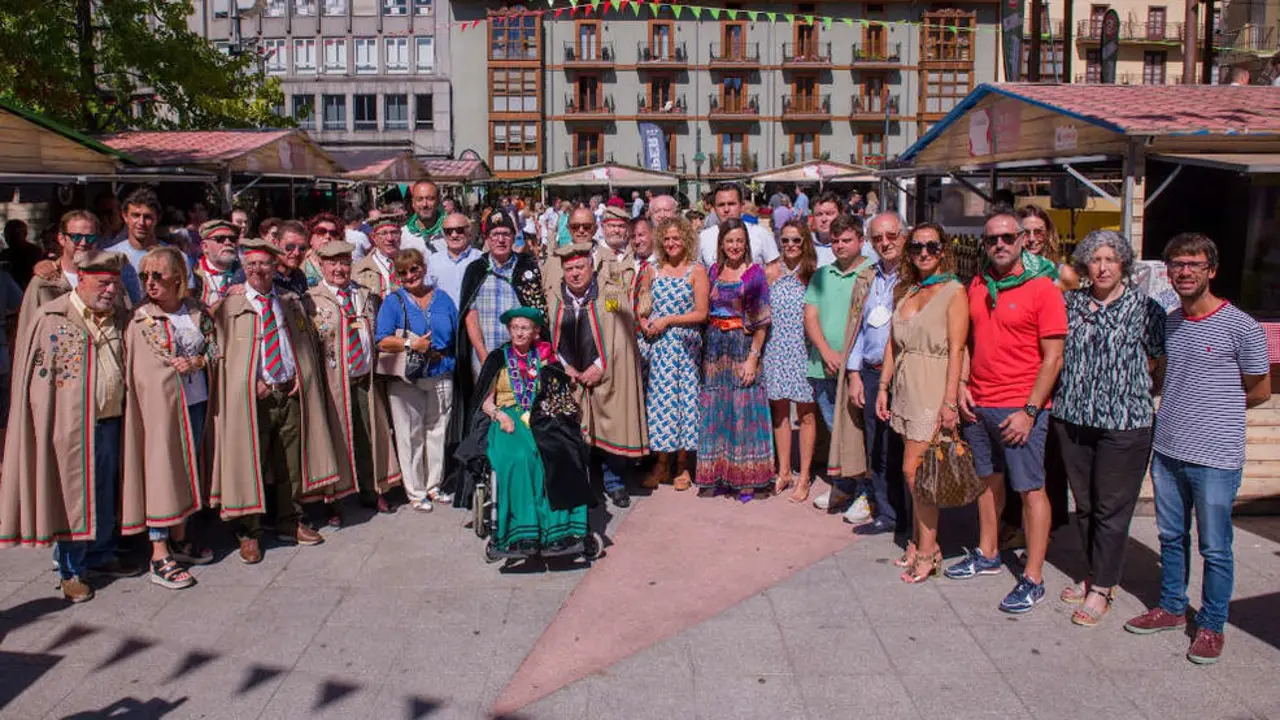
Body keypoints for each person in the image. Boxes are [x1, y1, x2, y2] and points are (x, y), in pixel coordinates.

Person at [1124, 233, 1271, 664]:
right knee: (1171, 535)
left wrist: (1216, 409)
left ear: (1212, 270)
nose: (1185, 272)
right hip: (1168, 449)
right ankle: (1172, 607)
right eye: (1177, 265)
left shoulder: (1241, 326)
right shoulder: (1171, 321)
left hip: (1216, 457)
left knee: (1215, 546)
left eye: (1194, 264)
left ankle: (1211, 624)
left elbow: (1258, 389)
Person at [948, 207, 1066, 615]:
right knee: (987, 481)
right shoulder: (979, 284)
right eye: (992, 239)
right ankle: (988, 551)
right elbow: (967, 342)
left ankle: (1033, 577)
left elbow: (1053, 358)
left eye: (1007, 238)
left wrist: (1031, 411)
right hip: (979, 402)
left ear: (1021, 241)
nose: (1000, 244)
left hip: (1020, 406)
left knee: (1030, 489)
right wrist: (963, 384)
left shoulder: (1043, 288)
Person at [1, 251, 133, 602]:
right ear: (83, 280)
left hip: (110, 420)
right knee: (73, 496)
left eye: (115, 284)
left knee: (105, 491)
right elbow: (36, 380)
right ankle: (71, 569)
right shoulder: (53, 317)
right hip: (70, 425)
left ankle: (102, 555)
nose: (110, 290)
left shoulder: (120, 315)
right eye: (103, 283)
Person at [1049, 230, 1166, 625]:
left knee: (1111, 507)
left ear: (1123, 265)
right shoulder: (1071, 304)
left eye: (1110, 260)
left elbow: (1155, 362)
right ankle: (1092, 571)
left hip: (1124, 422)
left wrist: (1121, 387)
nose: (1102, 267)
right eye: (1095, 260)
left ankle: (1103, 586)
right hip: (1074, 417)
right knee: (1083, 505)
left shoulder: (1145, 309)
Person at [208, 238, 340, 564]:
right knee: (250, 462)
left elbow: (299, 342)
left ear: (273, 267)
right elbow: (221, 354)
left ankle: (289, 520)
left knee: (289, 463)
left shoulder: (288, 302)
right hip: (252, 398)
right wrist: (248, 381)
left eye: (264, 264)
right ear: (243, 268)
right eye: (251, 264)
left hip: (287, 390)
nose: (258, 270)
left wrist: (298, 373)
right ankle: (249, 531)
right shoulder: (231, 307)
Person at [456, 307, 595, 560]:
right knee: (519, 458)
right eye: (515, 328)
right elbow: (485, 402)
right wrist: (500, 415)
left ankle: (562, 531)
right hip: (507, 416)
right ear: (509, 330)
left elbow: (559, 394)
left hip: (540, 415)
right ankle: (522, 532)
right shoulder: (498, 358)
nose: (520, 333)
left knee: (560, 452)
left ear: (535, 332)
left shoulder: (544, 358)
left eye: (525, 328)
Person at [875, 223, 967, 583]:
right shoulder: (910, 289)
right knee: (911, 470)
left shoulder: (953, 292)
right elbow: (892, 343)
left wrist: (950, 401)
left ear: (942, 249)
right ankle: (917, 540)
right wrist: (883, 385)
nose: (924, 253)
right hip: (905, 387)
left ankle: (929, 550)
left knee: (917, 473)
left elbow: (958, 349)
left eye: (931, 246)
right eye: (916, 247)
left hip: (932, 387)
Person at [121, 246, 217, 590]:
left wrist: (198, 363)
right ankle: (158, 552)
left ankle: (180, 538)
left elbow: (215, 349)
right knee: (163, 473)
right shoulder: (140, 318)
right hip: (160, 411)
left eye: (157, 275)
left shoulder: (197, 312)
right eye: (145, 276)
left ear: (178, 276)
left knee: (189, 469)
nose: (150, 283)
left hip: (196, 402)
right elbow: (142, 370)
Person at [547, 242, 649, 508]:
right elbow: (546, 338)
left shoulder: (610, 293)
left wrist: (599, 366)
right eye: (569, 269)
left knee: (609, 426)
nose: (575, 274)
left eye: (580, 267)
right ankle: (580, 484)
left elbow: (620, 332)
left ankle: (614, 483)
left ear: (592, 267)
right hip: (567, 375)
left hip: (604, 372)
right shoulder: (553, 297)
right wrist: (563, 366)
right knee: (573, 433)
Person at [306, 241, 403, 519]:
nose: (339, 268)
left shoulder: (365, 295)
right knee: (336, 438)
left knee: (368, 435)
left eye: (344, 262)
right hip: (333, 381)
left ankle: (373, 491)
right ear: (321, 265)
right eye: (332, 263)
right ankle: (334, 501)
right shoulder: (312, 299)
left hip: (364, 377)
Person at [376, 248, 459, 512]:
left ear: (423, 267)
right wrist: (413, 343)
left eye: (414, 269)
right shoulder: (393, 301)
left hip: (441, 371)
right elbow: (382, 340)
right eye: (403, 272)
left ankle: (434, 485)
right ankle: (415, 491)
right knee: (409, 434)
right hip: (406, 377)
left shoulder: (443, 298)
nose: (410, 275)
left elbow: (456, 333)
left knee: (437, 430)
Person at [697, 218, 773, 500]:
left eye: (739, 241)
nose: (734, 246)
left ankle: (748, 477)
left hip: (743, 345)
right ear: (721, 244)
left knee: (743, 409)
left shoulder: (754, 274)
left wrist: (753, 357)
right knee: (718, 407)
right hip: (716, 347)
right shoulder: (714, 270)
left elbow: (762, 321)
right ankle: (719, 474)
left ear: (746, 243)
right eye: (729, 241)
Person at [805, 214, 875, 514]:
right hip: (823, 365)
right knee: (835, 429)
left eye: (846, 240)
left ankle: (866, 490)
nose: (839, 246)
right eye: (834, 241)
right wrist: (826, 351)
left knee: (856, 431)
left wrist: (847, 359)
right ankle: (845, 484)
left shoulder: (871, 274)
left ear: (861, 241)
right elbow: (811, 316)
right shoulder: (822, 274)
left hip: (855, 368)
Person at [846, 213, 909, 534]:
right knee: (879, 447)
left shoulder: (915, 277)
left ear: (904, 236)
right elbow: (856, 328)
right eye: (878, 238)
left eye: (892, 236)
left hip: (907, 377)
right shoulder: (867, 278)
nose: (885, 243)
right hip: (871, 374)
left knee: (909, 449)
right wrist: (854, 373)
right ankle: (888, 513)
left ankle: (914, 518)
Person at [640, 218, 709, 491]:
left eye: (676, 238)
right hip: (657, 348)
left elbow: (702, 313)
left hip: (684, 347)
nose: (671, 244)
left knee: (684, 404)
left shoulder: (696, 271)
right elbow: (643, 305)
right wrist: (643, 321)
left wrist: (668, 320)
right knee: (660, 406)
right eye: (667, 239)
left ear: (687, 241)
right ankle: (661, 463)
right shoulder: (652, 269)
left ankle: (682, 465)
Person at [763, 220, 819, 502]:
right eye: (785, 240)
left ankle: (805, 475)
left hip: (804, 350)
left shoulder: (813, 274)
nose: (790, 246)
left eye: (796, 240)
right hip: (776, 348)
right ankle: (784, 471)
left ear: (805, 241)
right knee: (780, 413)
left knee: (806, 414)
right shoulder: (770, 272)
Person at [17, 211, 100, 339]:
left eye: (90, 237)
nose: (83, 243)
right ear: (61, 239)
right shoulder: (43, 284)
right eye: (76, 237)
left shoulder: (111, 281)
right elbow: (26, 334)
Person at [103, 187, 174, 303]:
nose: (141, 223)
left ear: (158, 218)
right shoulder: (108, 256)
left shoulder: (174, 257)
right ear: (125, 216)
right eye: (136, 215)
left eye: (147, 217)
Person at [697, 183, 780, 269]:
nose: (726, 209)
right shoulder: (704, 237)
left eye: (731, 204)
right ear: (714, 208)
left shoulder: (761, 234)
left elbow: (774, 270)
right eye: (721, 205)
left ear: (742, 205)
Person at [428, 213, 481, 306]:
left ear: (469, 232)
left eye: (459, 230)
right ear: (443, 234)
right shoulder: (432, 261)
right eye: (448, 231)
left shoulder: (482, 259)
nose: (454, 235)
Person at [192, 219, 245, 308]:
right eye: (220, 239)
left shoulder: (246, 273)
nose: (227, 243)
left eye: (232, 239)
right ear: (205, 247)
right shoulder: (193, 274)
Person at [354, 215, 402, 297]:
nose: (390, 238)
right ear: (373, 237)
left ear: (400, 235)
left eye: (394, 232)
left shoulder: (411, 263)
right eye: (384, 233)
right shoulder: (360, 269)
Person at [402, 180, 445, 254]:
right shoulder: (403, 235)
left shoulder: (451, 231)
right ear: (413, 203)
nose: (424, 204)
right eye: (419, 199)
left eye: (430, 199)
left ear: (438, 201)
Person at [271, 220, 312, 296]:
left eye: (302, 248)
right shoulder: (261, 274)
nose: (296, 253)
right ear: (275, 243)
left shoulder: (299, 276)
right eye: (290, 247)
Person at [302, 213, 341, 288]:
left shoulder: (347, 268)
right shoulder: (299, 267)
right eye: (321, 232)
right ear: (310, 239)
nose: (328, 236)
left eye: (333, 233)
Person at [808, 192, 843, 266]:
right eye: (819, 214)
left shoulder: (853, 245)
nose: (824, 219)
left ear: (840, 215)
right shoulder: (804, 244)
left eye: (829, 214)